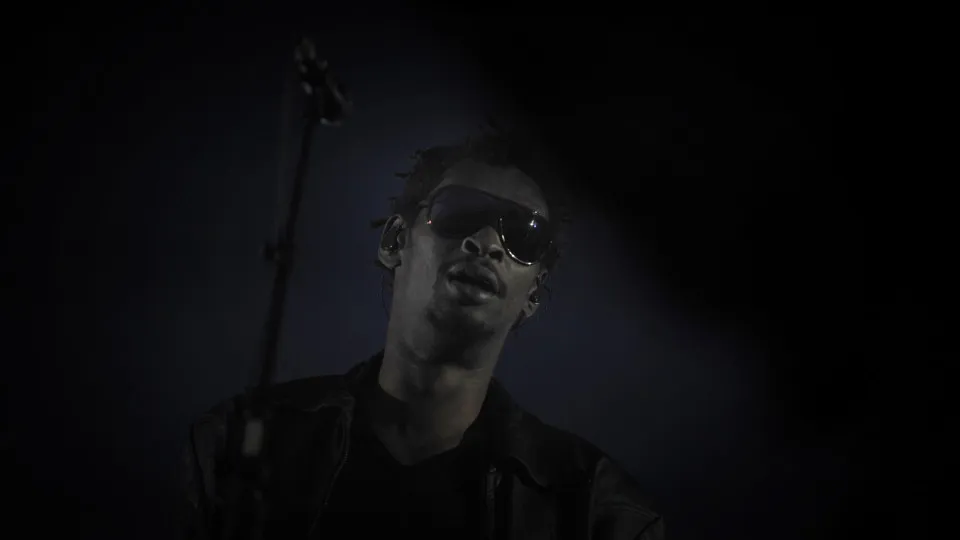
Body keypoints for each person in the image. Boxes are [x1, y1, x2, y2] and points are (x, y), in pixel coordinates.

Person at [178, 126, 664, 539]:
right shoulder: (236, 445)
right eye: (460, 211)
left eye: (523, 235)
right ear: (395, 241)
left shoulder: (598, 512)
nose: (487, 242)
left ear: (533, 294)